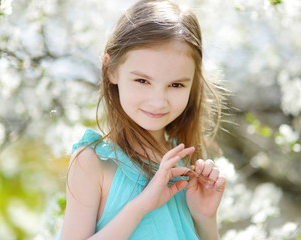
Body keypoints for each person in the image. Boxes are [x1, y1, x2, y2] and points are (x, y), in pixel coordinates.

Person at [59, 0, 226, 239]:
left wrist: (205, 217)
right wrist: (142, 205)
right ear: (111, 70)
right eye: (142, 81)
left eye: (176, 84)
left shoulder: (184, 166)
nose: (158, 101)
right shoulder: (94, 162)